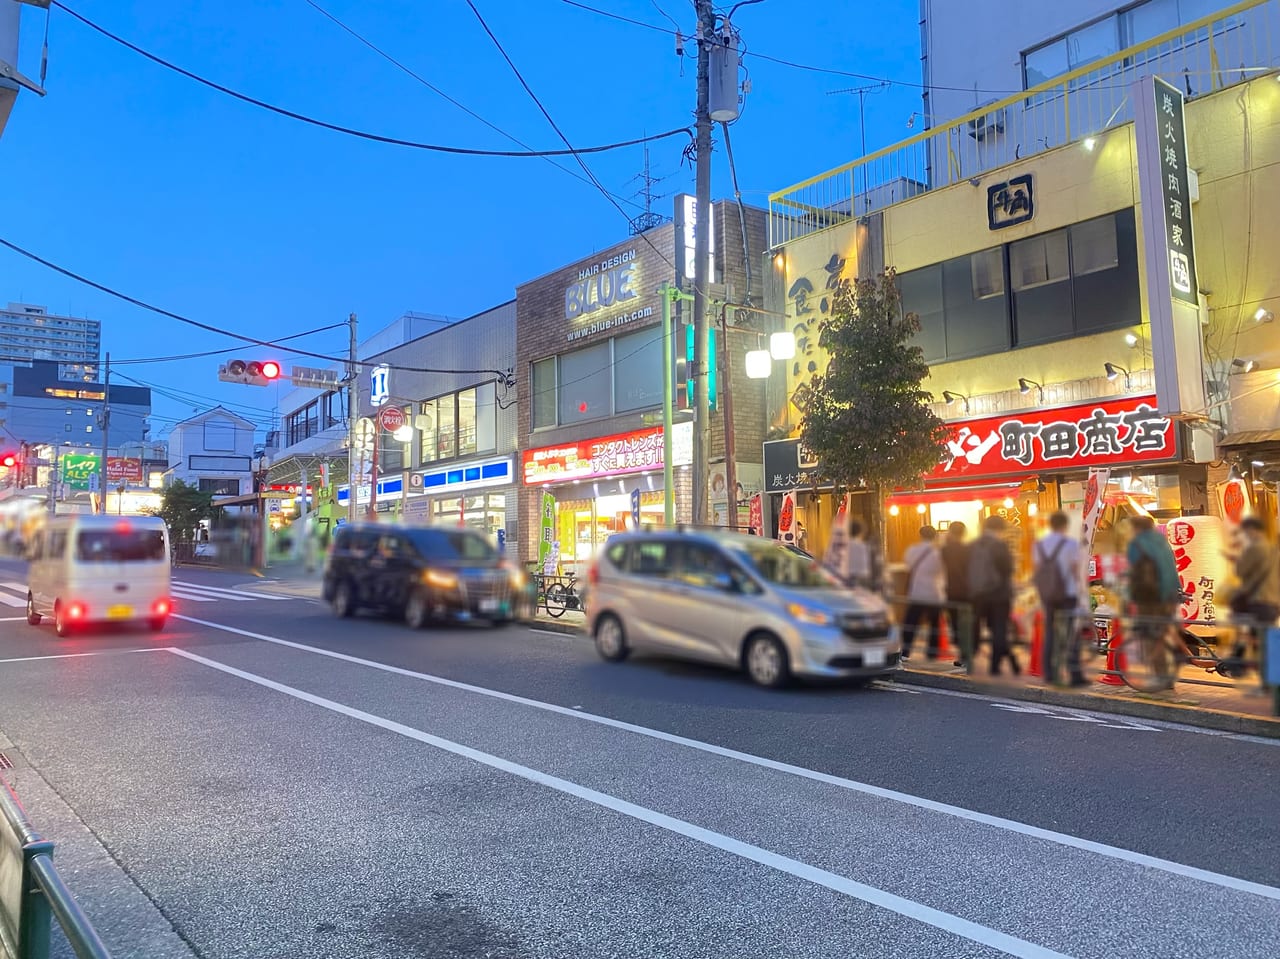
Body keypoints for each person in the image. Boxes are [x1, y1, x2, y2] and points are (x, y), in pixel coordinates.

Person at [1033, 511, 1085, 687]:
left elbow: (1038, 570)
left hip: (1048, 596)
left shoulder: (1040, 545)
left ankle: (1049, 673)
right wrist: (1082, 592)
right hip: (1067, 594)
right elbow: (1075, 570)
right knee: (1071, 634)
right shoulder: (1070, 544)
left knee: (1050, 633)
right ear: (1065, 525)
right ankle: (1074, 674)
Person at [968, 515, 1019, 676]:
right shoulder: (999, 546)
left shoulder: (973, 545)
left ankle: (969, 661)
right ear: (999, 529)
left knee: (976, 627)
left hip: (977, 595)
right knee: (999, 629)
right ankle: (995, 666)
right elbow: (1008, 569)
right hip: (999, 595)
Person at [1229, 516, 1280, 650]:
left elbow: (1240, 571)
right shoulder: (1274, 550)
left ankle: (1239, 662)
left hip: (1258, 600)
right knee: (1265, 638)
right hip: (1273, 602)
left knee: (1255, 637)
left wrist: (1237, 559)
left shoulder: (1254, 548)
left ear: (1251, 530)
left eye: (1245, 532)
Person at [901, 526, 945, 660]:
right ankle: (932, 652)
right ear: (935, 536)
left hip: (917, 591)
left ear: (920, 535)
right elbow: (942, 571)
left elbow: (907, 565)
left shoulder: (912, 550)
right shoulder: (939, 553)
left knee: (911, 622)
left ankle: (906, 651)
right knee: (934, 624)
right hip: (934, 592)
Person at [1125, 514, 1180, 621]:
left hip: (1149, 595)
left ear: (1137, 528)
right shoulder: (1163, 542)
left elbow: (1131, 570)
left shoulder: (1137, 544)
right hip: (1170, 594)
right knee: (1163, 628)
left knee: (1147, 628)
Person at [940, 522, 971, 665]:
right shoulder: (968, 550)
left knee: (955, 624)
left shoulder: (945, 550)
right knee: (966, 623)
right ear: (964, 533)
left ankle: (963, 655)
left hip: (951, 591)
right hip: (968, 592)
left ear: (950, 533)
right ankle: (967, 655)